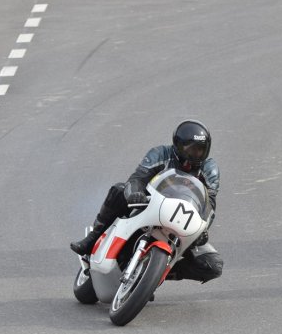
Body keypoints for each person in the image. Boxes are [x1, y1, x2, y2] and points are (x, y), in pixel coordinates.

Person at [70, 120, 223, 283]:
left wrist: (203, 229)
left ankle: (153, 274)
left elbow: (210, 204)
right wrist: (135, 193)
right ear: (178, 145)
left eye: (200, 149)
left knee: (213, 265)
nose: (195, 154)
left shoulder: (209, 168)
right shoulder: (160, 153)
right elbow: (138, 178)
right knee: (119, 190)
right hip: (151, 206)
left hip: (183, 222)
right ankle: (93, 238)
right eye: (190, 149)